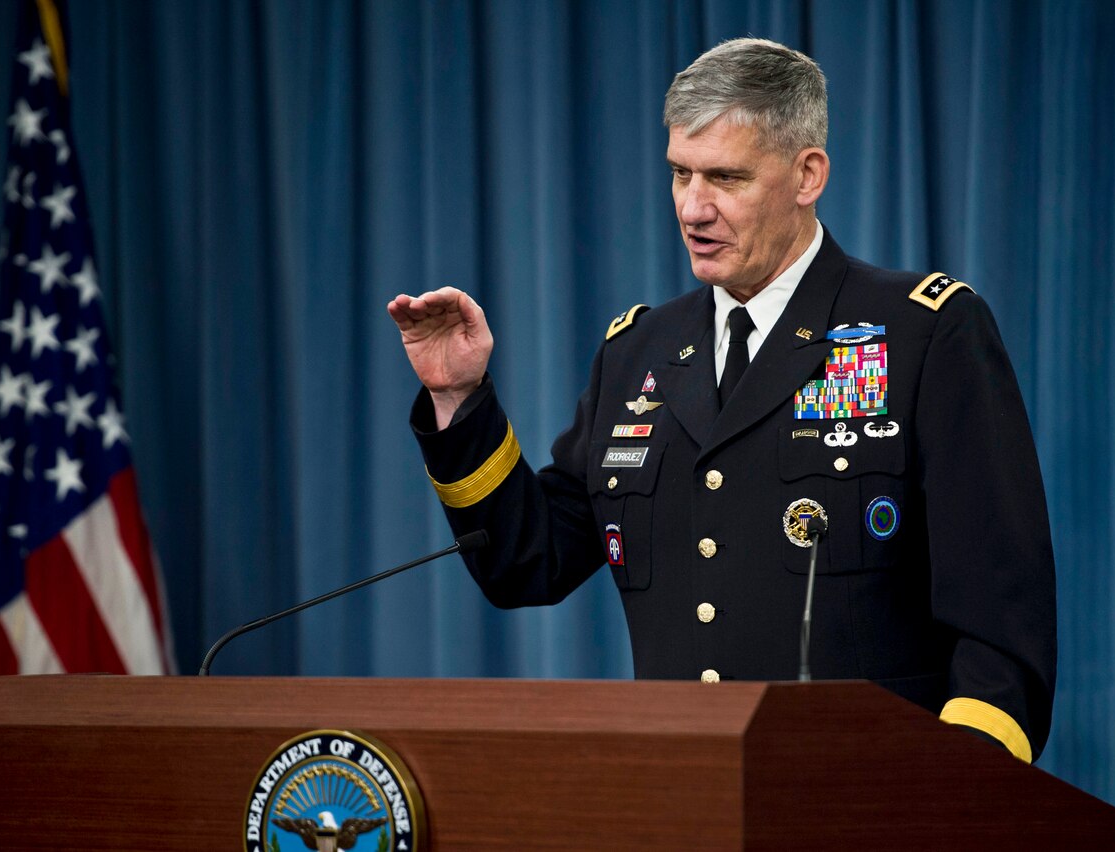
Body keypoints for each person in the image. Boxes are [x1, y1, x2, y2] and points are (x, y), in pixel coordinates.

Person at [387, 38, 1056, 763]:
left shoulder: (923, 331)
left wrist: (955, 798)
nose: (693, 208)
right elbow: (528, 562)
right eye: (680, 174)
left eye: (726, 178)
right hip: (684, 801)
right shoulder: (638, 351)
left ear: (807, 174)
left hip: (867, 800)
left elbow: (1000, 624)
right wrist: (459, 397)